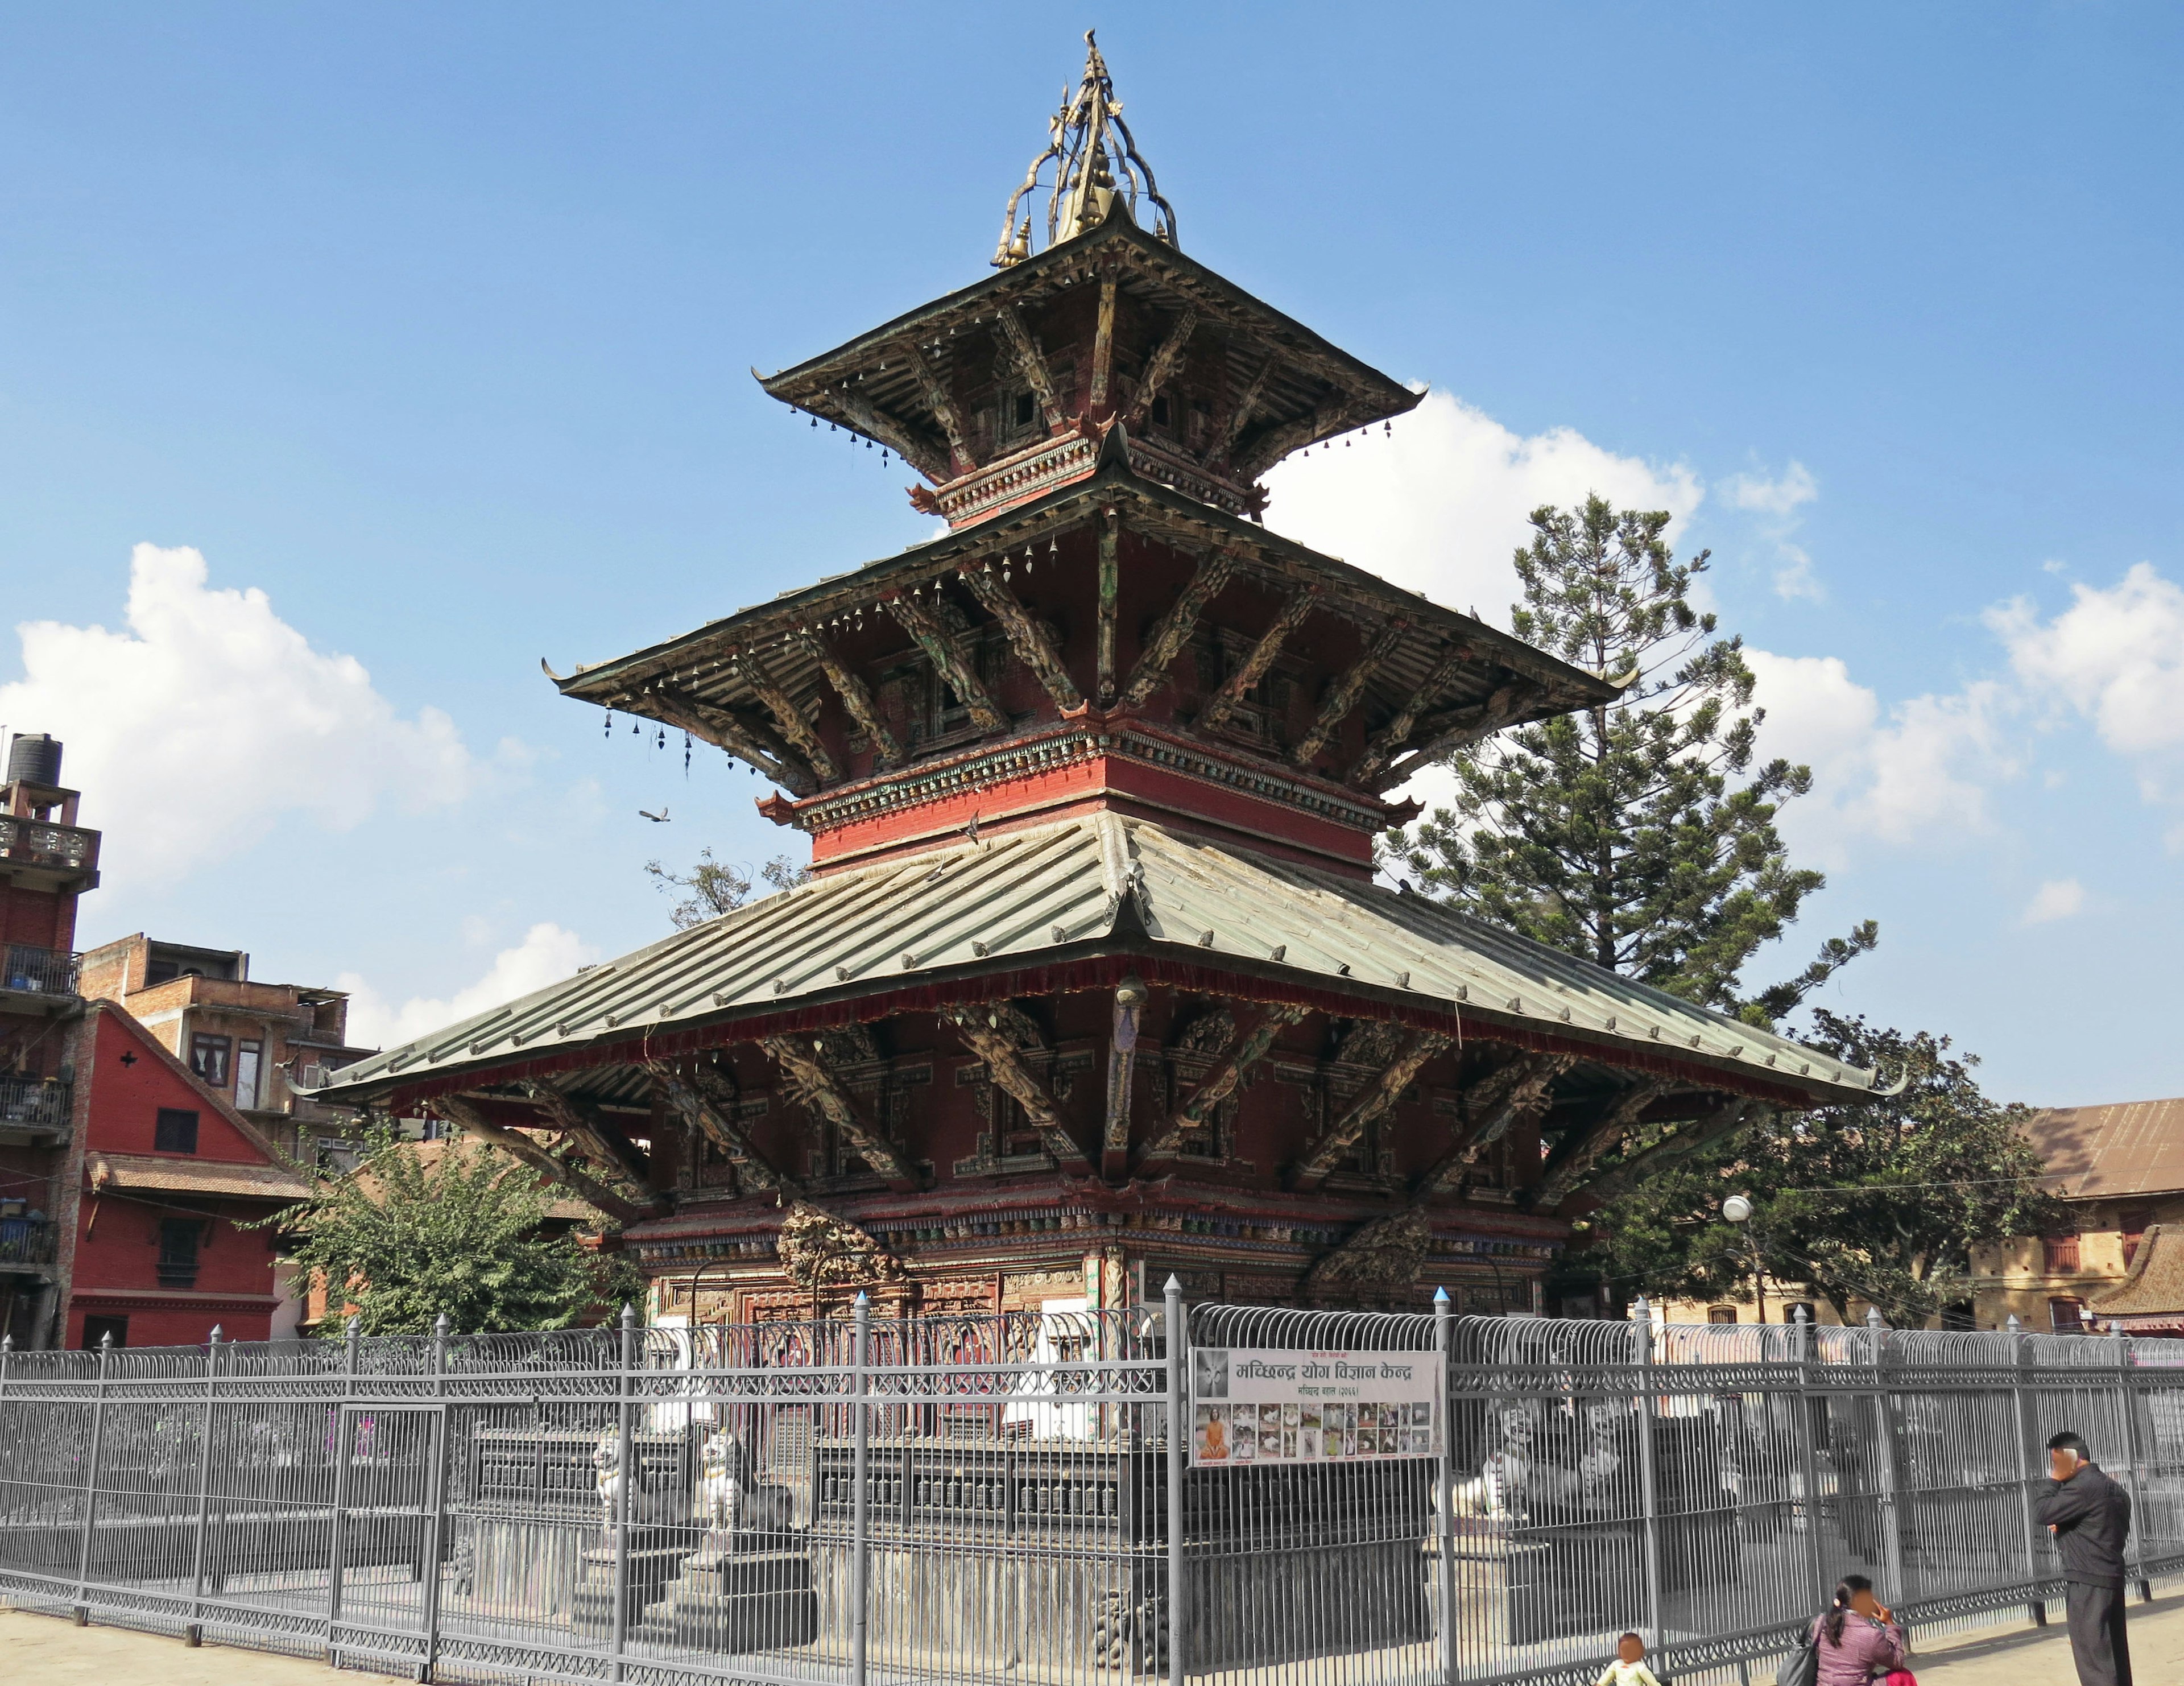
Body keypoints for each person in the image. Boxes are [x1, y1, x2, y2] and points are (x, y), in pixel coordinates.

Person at [2036, 1429, 2134, 1686]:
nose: (2054, 1468)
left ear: (2071, 1458)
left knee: (2094, 1661)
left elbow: (2042, 1512)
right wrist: (2066, 1528)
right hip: (2109, 1577)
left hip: (2088, 1582)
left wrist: (2054, 1481)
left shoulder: (2083, 1487)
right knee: (2113, 1656)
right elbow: (2100, 1529)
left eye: (2056, 1462)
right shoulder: (2114, 1487)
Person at [1811, 1574, 1907, 1686]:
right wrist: (1890, 1624)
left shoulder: (1821, 1622)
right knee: (1903, 1676)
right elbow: (1898, 1661)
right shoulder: (1870, 1635)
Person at [1595, 1631, 1662, 1686]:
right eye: (1623, 1650)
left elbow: (1653, 1683)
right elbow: (1604, 1680)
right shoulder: (1616, 1665)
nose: (1626, 1653)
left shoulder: (1640, 1667)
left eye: (1630, 1650)